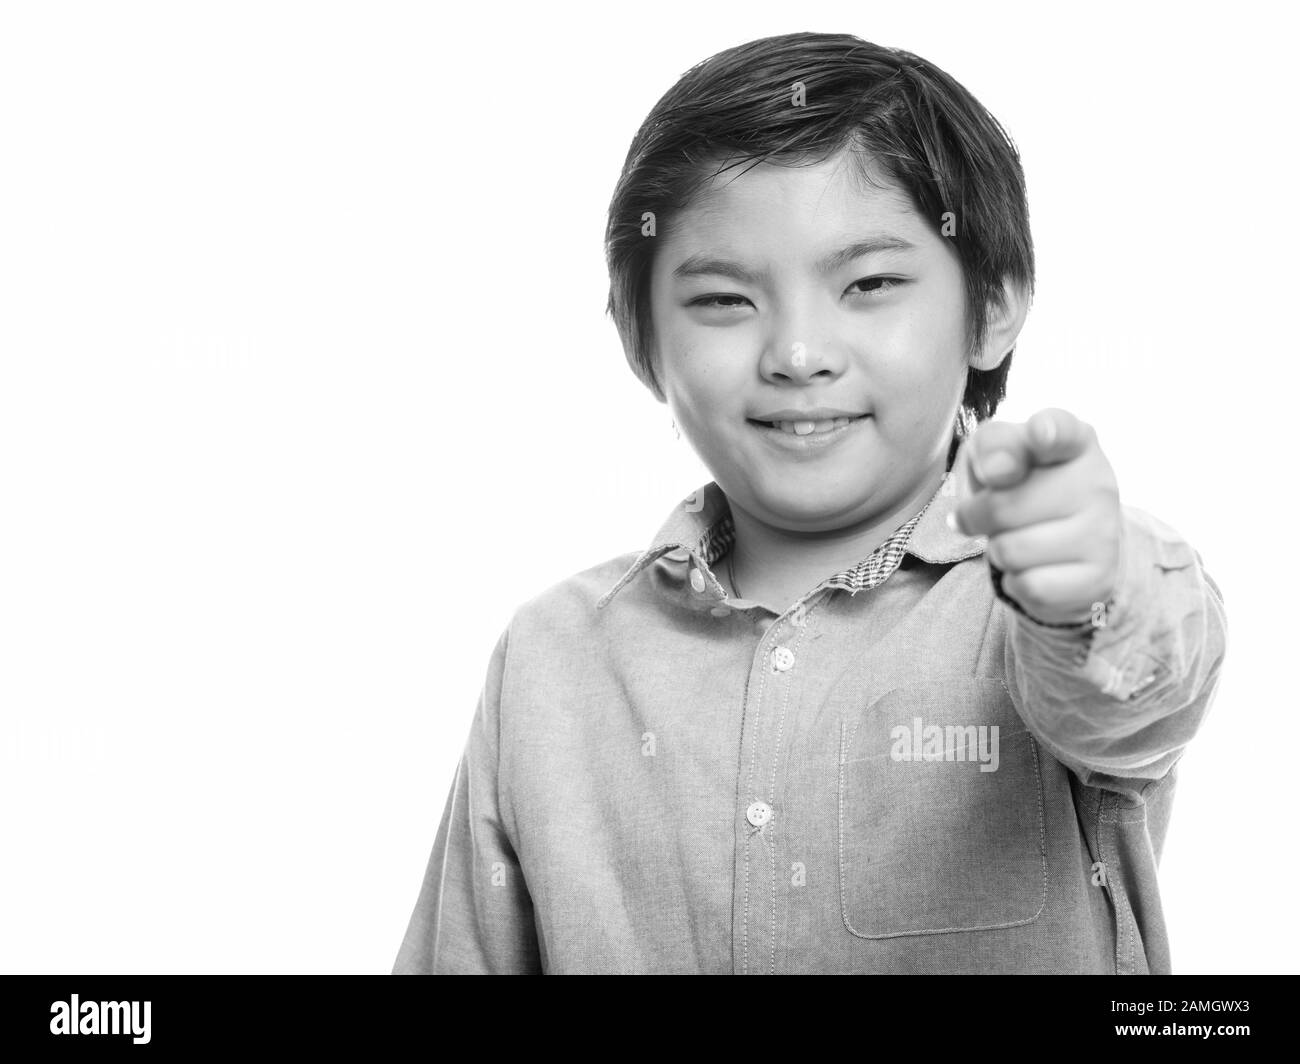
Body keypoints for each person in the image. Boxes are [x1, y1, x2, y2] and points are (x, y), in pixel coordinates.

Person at [392, 31, 1227, 974]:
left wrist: (1090, 583)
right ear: (641, 344)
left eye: (869, 284)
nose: (797, 352)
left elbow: (1136, 682)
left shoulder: (1044, 603)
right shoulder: (549, 665)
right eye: (721, 300)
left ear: (992, 305)